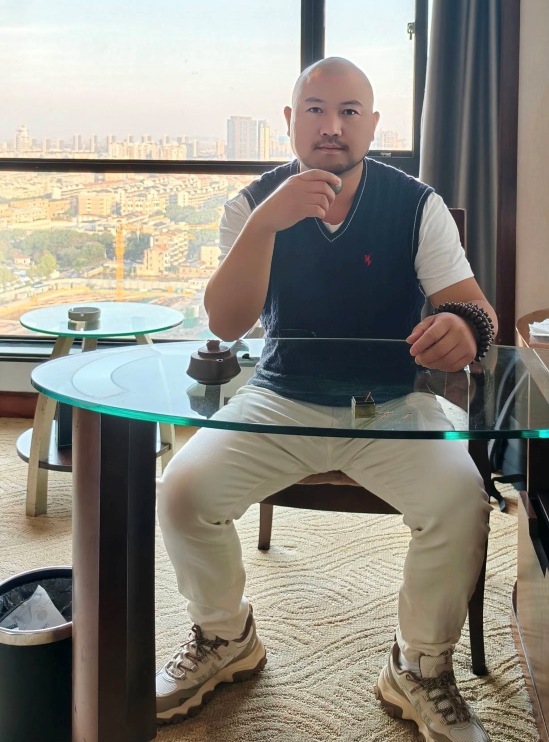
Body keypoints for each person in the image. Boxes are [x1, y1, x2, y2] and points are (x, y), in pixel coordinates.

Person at [156, 57, 497, 742]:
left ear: (373, 125)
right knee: (183, 492)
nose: (332, 126)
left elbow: (477, 312)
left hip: (394, 402)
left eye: (349, 112)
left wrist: (463, 330)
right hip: (281, 396)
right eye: (315, 110)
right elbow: (227, 323)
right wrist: (265, 227)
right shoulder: (252, 204)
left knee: (461, 501)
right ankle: (226, 637)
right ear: (291, 121)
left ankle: (420, 665)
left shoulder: (416, 204)